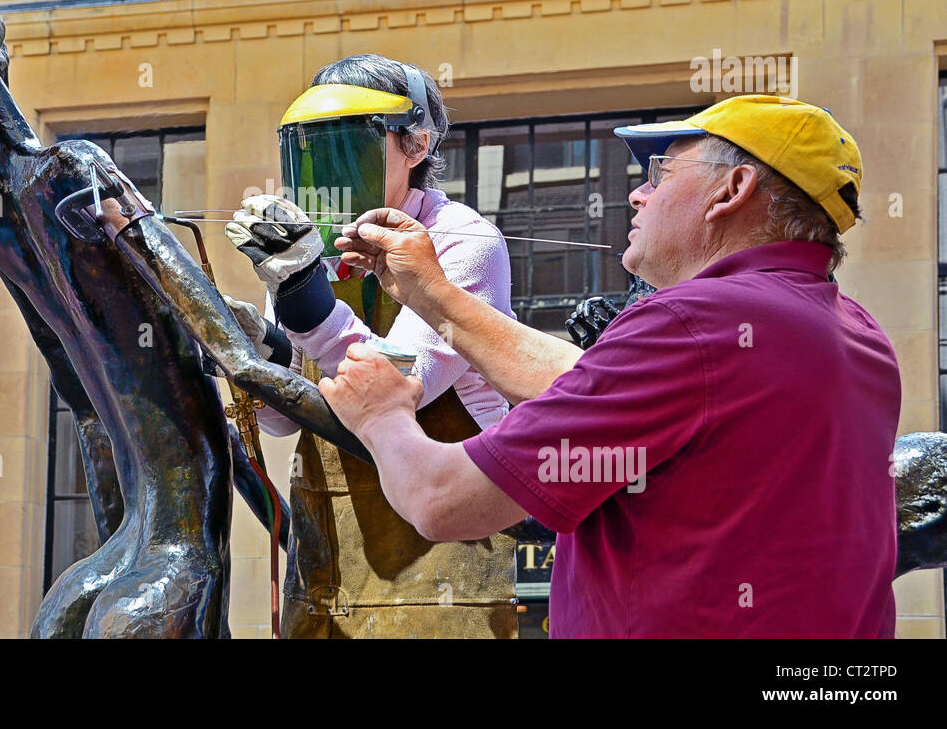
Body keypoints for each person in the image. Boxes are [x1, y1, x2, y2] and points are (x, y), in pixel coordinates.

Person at [320, 94, 900, 638]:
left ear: (733, 190)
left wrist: (381, 415)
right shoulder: (856, 334)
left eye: (661, 174)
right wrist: (431, 292)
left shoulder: (692, 323)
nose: (636, 194)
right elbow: (589, 386)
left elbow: (442, 498)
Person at [223, 53, 522, 638]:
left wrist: (306, 299)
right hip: (327, 548)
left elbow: (399, 385)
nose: (325, 166)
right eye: (310, 145)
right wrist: (263, 357)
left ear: (416, 146)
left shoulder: (463, 242)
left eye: (345, 142)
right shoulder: (305, 251)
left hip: (444, 542)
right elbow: (282, 425)